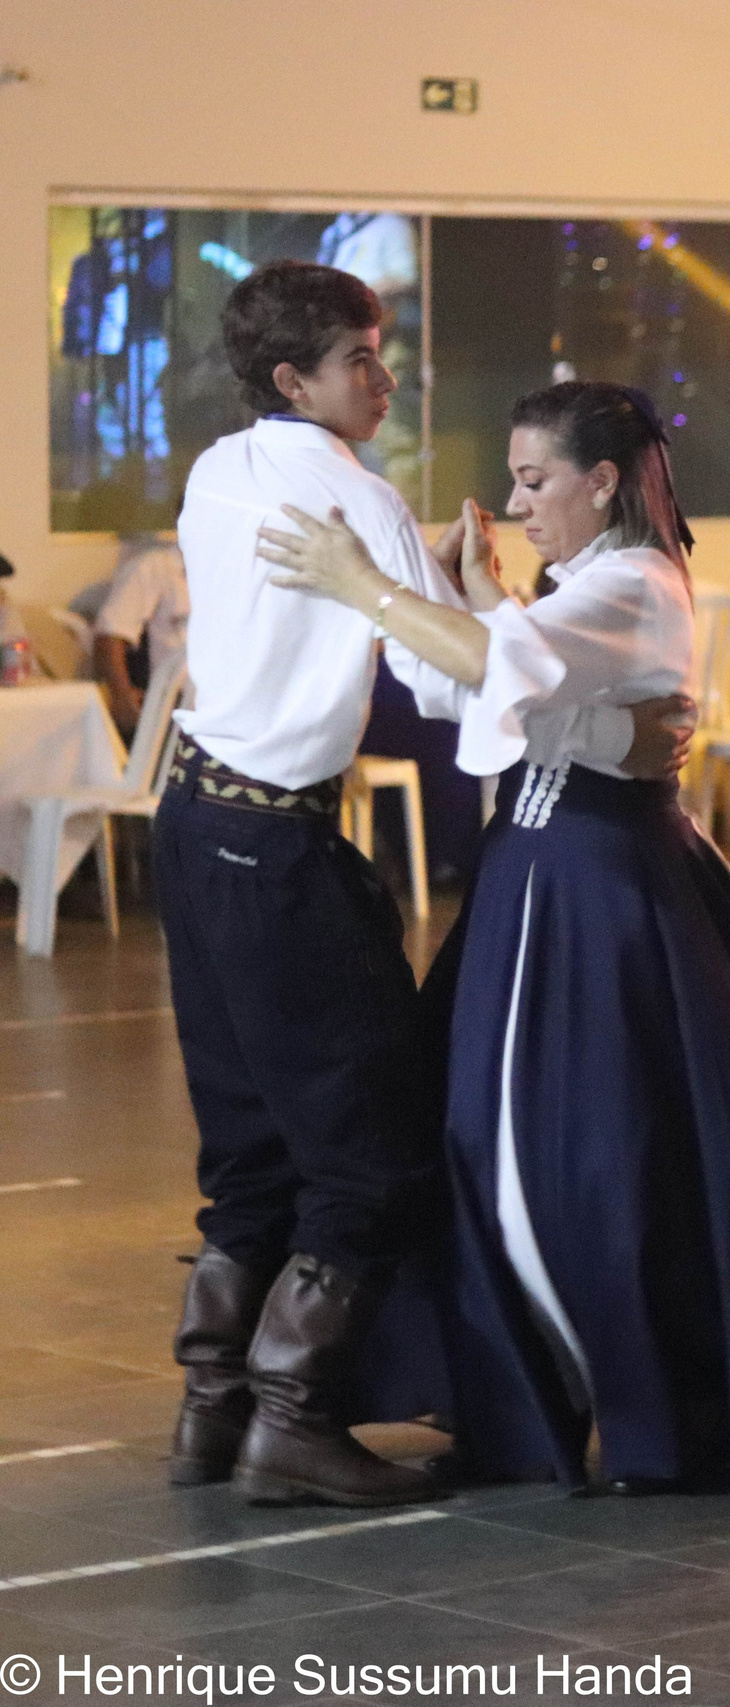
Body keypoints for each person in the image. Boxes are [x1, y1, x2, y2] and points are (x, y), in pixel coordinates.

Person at [259, 381, 730, 1495]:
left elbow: (503, 669)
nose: (516, 502)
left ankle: (662, 1393)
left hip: (598, 887)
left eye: (535, 480)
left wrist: (372, 586)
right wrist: (469, 596)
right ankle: (533, 1387)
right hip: (546, 880)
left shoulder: (634, 581)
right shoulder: (588, 584)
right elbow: (497, 680)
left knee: (633, 1156)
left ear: (601, 481)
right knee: (533, 1147)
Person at [157, 261, 689, 1508]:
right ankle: (291, 1422)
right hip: (276, 849)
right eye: (361, 357)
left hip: (187, 823)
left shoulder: (216, 469)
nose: (385, 376)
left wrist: (450, 591)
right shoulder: (360, 499)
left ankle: (211, 1413)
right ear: (296, 380)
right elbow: (458, 692)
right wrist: (455, 592)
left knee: (247, 1145)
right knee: (371, 1152)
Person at [94, 530, 191, 735]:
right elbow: (110, 635)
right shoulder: (154, 567)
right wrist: (122, 698)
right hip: (176, 704)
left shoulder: (240, 569)